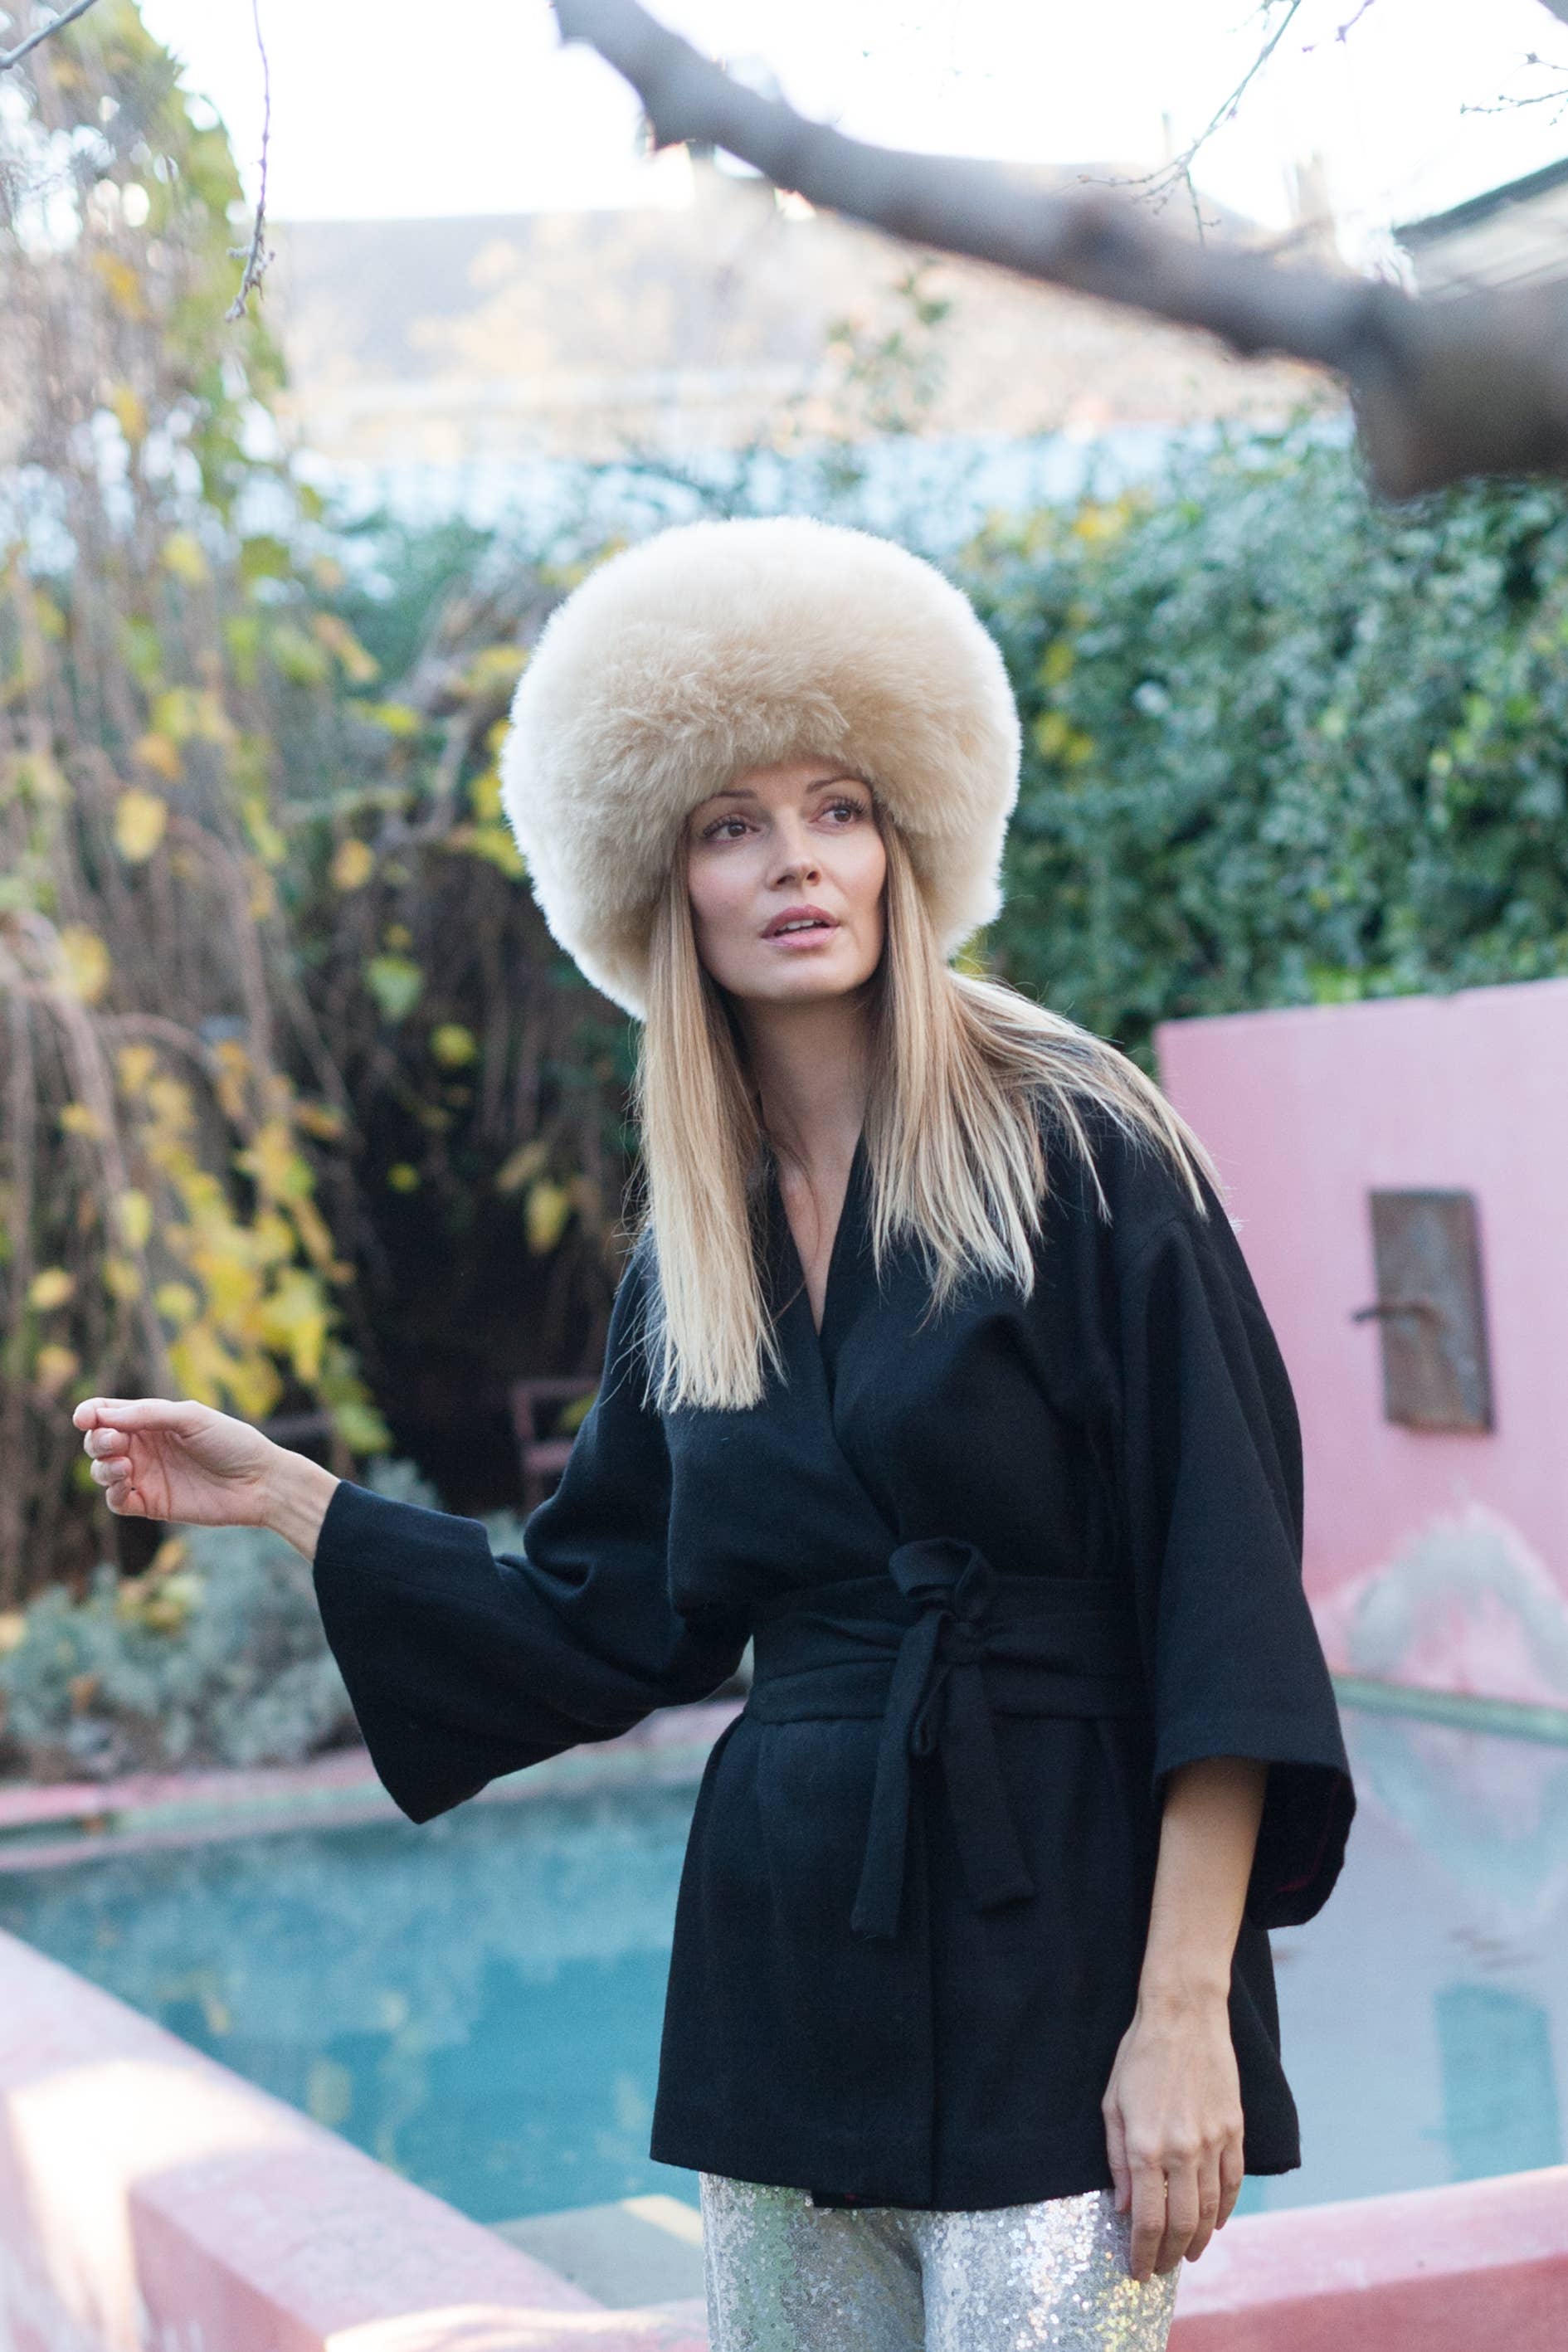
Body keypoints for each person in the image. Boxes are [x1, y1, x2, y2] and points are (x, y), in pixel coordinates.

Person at [73, 514, 1355, 2352]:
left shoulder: (1083, 1148)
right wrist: (288, 1496)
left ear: (907, 841)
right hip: (784, 1974)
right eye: (730, 824)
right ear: (661, 882)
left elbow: (1225, 1597)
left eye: (837, 807)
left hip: (1067, 1947)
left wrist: (1183, 2011)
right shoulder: (694, 1250)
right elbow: (601, 1620)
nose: (795, 861)